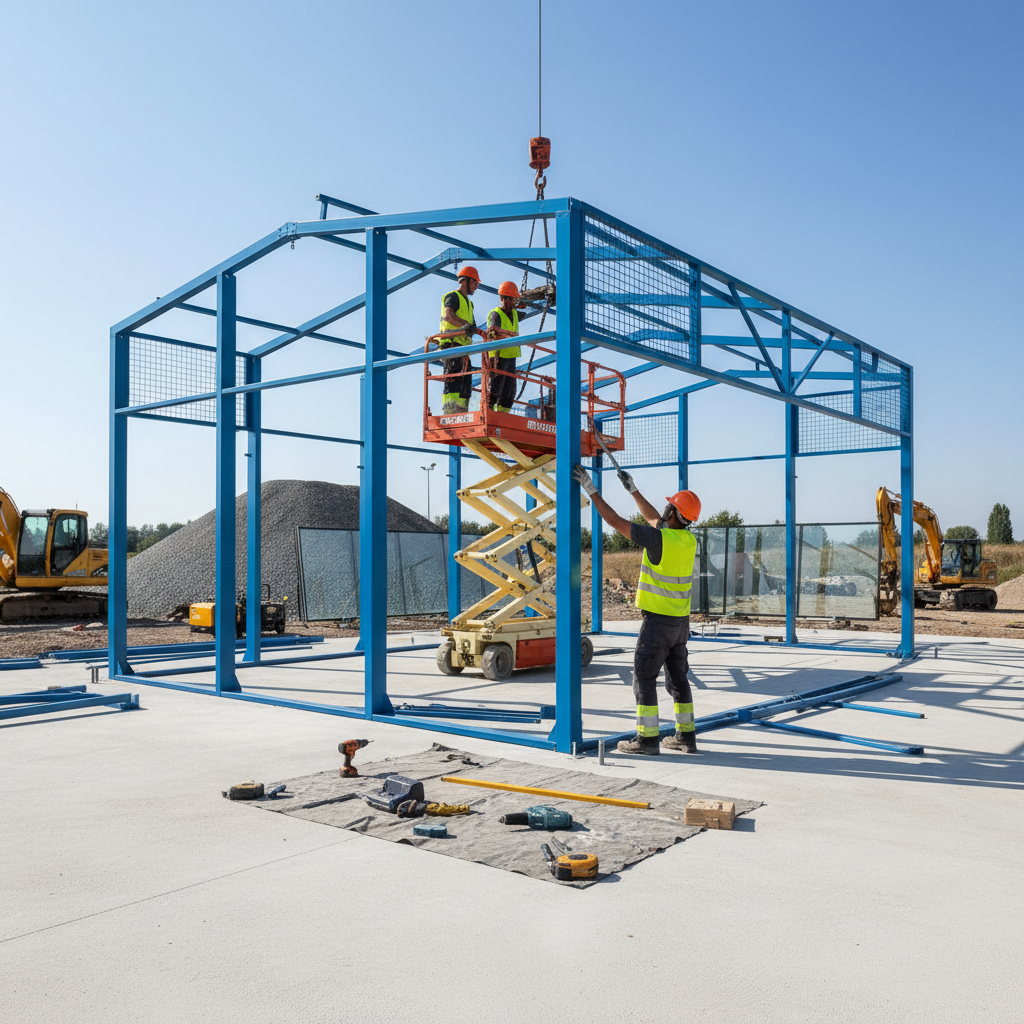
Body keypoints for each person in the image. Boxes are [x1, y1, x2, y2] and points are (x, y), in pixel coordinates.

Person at [572, 461, 702, 755]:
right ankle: (686, 738)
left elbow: (615, 522)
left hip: (657, 625)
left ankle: (646, 740)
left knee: (644, 677)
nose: (664, 510)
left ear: (672, 512)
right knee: (679, 680)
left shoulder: (658, 538)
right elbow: (656, 519)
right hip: (680, 625)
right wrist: (633, 490)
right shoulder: (686, 539)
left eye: (668, 507)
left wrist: (591, 489)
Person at [438, 267, 482, 414]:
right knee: (453, 383)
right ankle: (450, 414)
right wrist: (465, 326)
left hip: (464, 349)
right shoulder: (453, 296)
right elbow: (449, 316)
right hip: (452, 346)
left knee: (465, 385)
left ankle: (462, 415)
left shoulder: (469, 304)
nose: (476, 287)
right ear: (466, 281)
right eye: (475, 283)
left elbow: (472, 327)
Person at [485, 281, 521, 412]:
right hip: (498, 357)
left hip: (511, 357)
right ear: (502, 299)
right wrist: (511, 335)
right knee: (494, 391)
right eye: (510, 300)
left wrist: (508, 334)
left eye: (514, 300)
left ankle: (503, 417)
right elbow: (493, 335)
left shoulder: (515, 313)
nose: (512, 303)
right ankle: (491, 414)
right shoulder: (496, 314)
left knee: (509, 393)